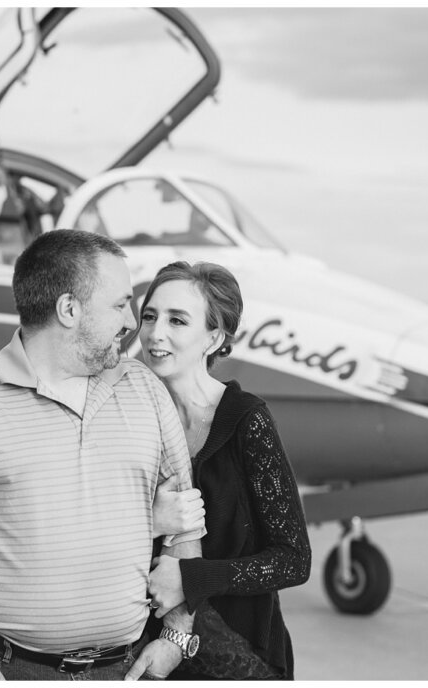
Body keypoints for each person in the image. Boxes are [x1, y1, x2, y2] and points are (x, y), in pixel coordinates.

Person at [0, 230, 205, 681]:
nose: (131, 322)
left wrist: (177, 636)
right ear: (69, 310)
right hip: (5, 670)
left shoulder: (145, 389)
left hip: (126, 670)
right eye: (119, 304)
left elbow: (186, 524)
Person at [139, 261, 311, 680]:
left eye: (177, 320)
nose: (155, 333)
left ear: (213, 337)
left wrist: (193, 577)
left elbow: (294, 559)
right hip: (145, 654)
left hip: (236, 655)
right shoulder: (132, 415)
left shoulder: (246, 420)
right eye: (149, 316)